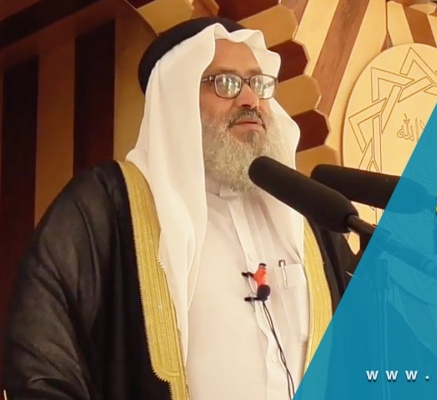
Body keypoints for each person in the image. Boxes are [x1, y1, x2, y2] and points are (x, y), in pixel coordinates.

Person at [1, 17, 356, 400]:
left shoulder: (308, 219)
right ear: (177, 99)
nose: (250, 100)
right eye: (226, 83)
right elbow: (39, 354)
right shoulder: (107, 206)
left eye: (257, 84)